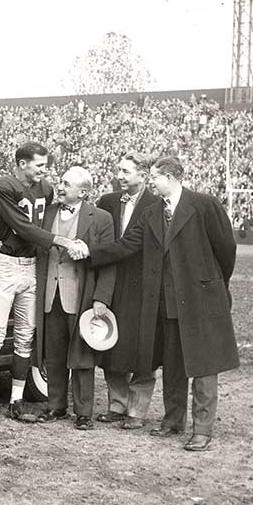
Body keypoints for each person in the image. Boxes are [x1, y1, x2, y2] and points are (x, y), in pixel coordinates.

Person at [72, 156, 238, 451]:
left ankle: (202, 430)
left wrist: (213, 285)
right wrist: (90, 252)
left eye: (157, 178)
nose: (153, 182)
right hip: (166, 304)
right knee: (173, 365)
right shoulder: (152, 213)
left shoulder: (204, 205)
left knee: (203, 367)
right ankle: (173, 421)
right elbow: (126, 245)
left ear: (172, 178)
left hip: (201, 301)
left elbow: (226, 250)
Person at [0, 142, 80, 423]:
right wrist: (61, 240)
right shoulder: (3, 187)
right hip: (7, 264)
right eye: (39, 165)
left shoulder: (46, 189)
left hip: (31, 266)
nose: (44, 170)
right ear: (22, 164)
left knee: (25, 336)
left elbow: (50, 217)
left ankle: (15, 400)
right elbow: (23, 227)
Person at [34, 166, 116, 430]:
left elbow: (108, 263)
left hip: (81, 297)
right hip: (50, 295)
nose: (60, 186)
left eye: (66, 184)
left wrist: (101, 299)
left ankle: (83, 412)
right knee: (54, 353)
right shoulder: (47, 214)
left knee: (81, 355)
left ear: (83, 192)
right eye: (61, 181)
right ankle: (55, 406)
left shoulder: (101, 218)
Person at [94, 153, 162, 429]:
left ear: (143, 175)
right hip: (112, 282)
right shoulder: (107, 202)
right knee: (111, 344)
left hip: (145, 288)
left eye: (126, 171)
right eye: (118, 170)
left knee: (144, 350)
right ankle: (117, 405)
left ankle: (137, 410)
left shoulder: (157, 205)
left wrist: (91, 253)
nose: (120, 176)